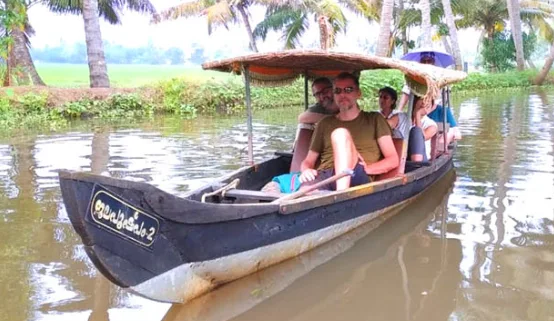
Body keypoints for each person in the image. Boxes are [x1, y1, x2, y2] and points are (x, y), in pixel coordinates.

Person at [298, 72, 399, 191]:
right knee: (304, 193)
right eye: (338, 91)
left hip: (356, 174)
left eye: (348, 90)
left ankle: (341, 195)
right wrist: (306, 170)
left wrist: (369, 169)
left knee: (340, 134)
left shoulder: (375, 119)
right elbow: (308, 161)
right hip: (326, 175)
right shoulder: (324, 123)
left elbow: (393, 159)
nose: (343, 95)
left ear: (358, 93)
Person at [408, 95, 438, 162]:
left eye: (428, 101)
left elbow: (421, 137)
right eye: (422, 99)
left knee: (416, 131)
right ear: (415, 102)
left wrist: (417, 114)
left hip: (421, 161)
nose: (424, 103)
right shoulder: (402, 118)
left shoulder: (432, 125)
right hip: (403, 157)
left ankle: (416, 164)